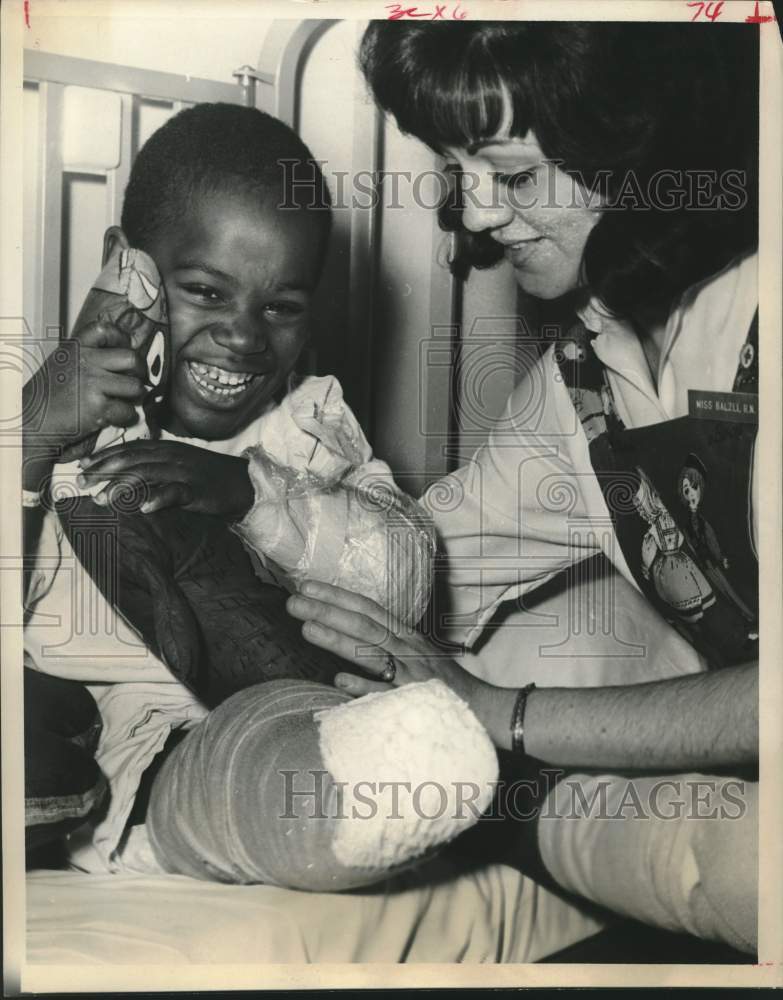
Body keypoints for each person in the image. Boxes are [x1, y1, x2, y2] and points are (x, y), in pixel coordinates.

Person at [286, 21, 760, 952]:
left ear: (634, 151)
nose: (475, 216)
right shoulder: (581, 380)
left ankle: (515, 809)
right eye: (454, 171)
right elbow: (411, 569)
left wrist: (502, 717)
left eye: (510, 176)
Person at [21, 103, 429, 859]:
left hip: (212, 736)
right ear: (127, 267)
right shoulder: (46, 407)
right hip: (58, 713)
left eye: (280, 307)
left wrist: (252, 492)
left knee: (293, 765)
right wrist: (30, 441)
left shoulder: (307, 429)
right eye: (206, 292)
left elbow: (406, 576)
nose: (243, 335)